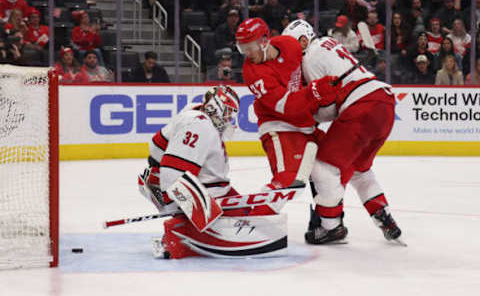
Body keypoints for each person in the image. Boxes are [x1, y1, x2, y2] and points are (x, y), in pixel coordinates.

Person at [282, 19, 402, 244]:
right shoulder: (328, 43)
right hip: (384, 101)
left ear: (304, 40)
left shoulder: (309, 58)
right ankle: (382, 215)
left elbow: (328, 105)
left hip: (361, 106)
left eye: (291, 45)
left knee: (322, 167)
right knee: (359, 170)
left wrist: (311, 115)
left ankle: (331, 226)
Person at [138, 85, 289, 259]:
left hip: (210, 188)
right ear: (215, 106)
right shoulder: (198, 124)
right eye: (227, 112)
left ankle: (186, 227)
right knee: (253, 226)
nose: (229, 118)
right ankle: (178, 233)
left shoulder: (200, 116)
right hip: (196, 190)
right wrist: (190, 209)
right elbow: (174, 171)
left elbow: (161, 152)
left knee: (254, 220)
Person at [235, 17, 323, 195]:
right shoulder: (252, 72)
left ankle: (325, 221)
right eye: (243, 49)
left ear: (265, 41)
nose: (248, 54)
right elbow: (287, 106)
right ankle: (257, 212)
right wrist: (319, 95)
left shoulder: (290, 45)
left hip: (303, 121)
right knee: (287, 183)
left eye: (250, 47)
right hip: (278, 126)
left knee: (329, 170)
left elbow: (309, 69)